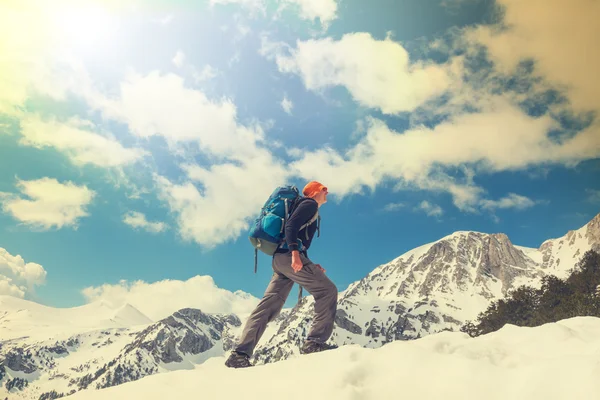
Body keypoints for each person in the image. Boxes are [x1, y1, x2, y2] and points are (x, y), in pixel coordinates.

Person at [225, 181, 338, 368]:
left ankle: (239, 354)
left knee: (268, 306)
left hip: (280, 260)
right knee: (327, 291)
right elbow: (291, 227)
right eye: (324, 189)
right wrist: (295, 254)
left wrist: (306, 259)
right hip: (288, 257)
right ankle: (314, 342)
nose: (327, 192)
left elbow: (297, 236)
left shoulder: (306, 207)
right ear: (316, 192)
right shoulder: (309, 204)